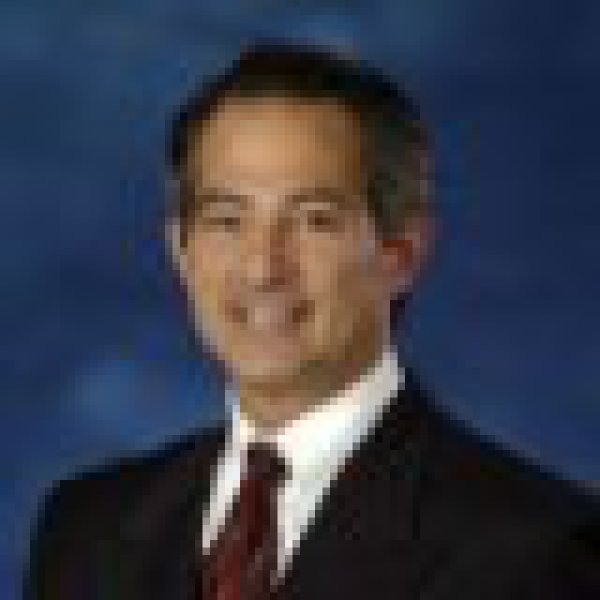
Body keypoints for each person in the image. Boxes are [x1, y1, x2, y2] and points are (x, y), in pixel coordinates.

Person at [25, 42, 597, 600]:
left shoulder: (535, 551)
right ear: (181, 251)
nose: (263, 268)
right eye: (227, 220)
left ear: (402, 253)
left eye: (314, 220)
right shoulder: (83, 530)